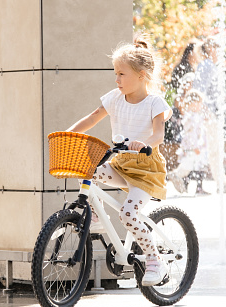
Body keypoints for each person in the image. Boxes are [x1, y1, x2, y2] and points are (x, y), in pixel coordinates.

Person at [67, 35, 172, 286]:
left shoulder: (154, 102)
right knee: (88, 169)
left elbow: (159, 133)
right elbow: (92, 118)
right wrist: (69, 134)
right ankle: (89, 216)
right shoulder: (115, 97)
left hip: (146, 171)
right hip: (121, 164)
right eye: (116, 74)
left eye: (122, 74)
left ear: (142, 75)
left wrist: (146, 143)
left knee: (127, 214)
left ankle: (155, 260)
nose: (117, 79)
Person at [193, 37, 226, 194]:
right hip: (209, 115)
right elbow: (198, 91)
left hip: (213, 114)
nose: (220, 49)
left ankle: (222, 183)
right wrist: (206, 113)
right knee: (213, 150)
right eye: (217, 46)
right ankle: (178, 174)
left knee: (215, 150)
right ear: (210, 48)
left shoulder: (211, 66)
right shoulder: (206, 66)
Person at [168, 89, 210, 195]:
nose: (200, 106)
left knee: (193, 167)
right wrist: (194, 147)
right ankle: (176, 176)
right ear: (192, 103)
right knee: (191, 167)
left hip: (195, 147)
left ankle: (187, 186)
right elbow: (191, 134)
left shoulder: (192, 115)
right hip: (194, 148)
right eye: (199, 103)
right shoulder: (191, 117)